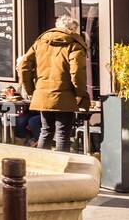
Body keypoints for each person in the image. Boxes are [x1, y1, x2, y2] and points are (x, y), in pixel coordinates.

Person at [18, 15, 90, 152]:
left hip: (43, 94)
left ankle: (41, 166)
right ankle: (61, 168)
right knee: (62, 133)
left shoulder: (40, 42)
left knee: (46, 131)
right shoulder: (74, 44)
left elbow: (23, 66)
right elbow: (77, 71)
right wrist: (80, 94)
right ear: (73, 29)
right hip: (65, 95)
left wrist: (31, 90)